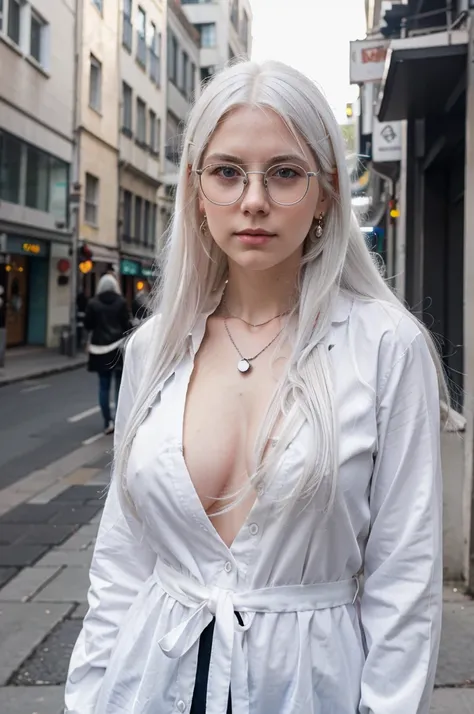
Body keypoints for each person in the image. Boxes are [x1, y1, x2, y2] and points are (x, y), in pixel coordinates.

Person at [65, 60, 446, 714]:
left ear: (326, 191)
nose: (253, 201)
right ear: (195, 189)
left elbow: (405, 579)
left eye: (285, 173)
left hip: (309, 687)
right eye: (227, 172)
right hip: (151, 683)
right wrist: (88, 697)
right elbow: (121, 560)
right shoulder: (157, 347)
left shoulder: (386, 346)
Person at [84, 274, 131, 435]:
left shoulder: (93, 303)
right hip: (118, 348)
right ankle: (119, 420)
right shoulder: (121, 302)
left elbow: (88, 325)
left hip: (99, 349)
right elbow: (127, 325)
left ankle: (107, 422)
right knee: (119, 387)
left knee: (103, 386)